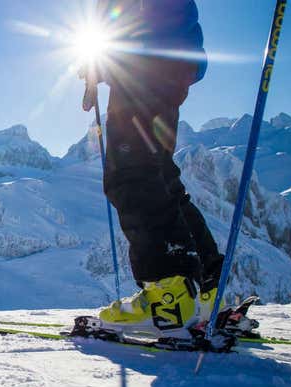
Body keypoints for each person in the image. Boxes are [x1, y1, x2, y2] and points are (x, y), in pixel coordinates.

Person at [82, 0, 224, 337]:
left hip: (146, 65)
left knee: (130, 174)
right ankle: (206, 290)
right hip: (167, 63)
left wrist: (114, 56)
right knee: (158, 173)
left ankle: (169, 296)